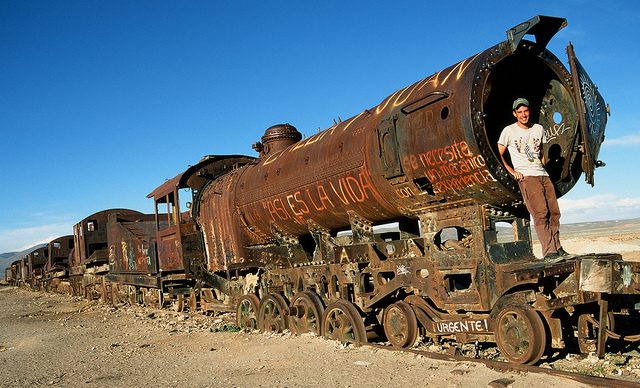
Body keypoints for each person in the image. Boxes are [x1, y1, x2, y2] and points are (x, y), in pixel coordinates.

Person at [497, 98, 569, 262]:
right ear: (515, 113)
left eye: (526, 111)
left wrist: (542, 167)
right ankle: (549, 252)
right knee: (540, 213)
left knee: (554, 213)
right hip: (527, 176)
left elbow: (541, 152)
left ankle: (558, 248)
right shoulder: (509, 131)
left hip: (542, 174)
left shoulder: (538, 129)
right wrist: (512, 171)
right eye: (520, 112)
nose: (523, 115)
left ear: (529, 111)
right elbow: (499, 152)